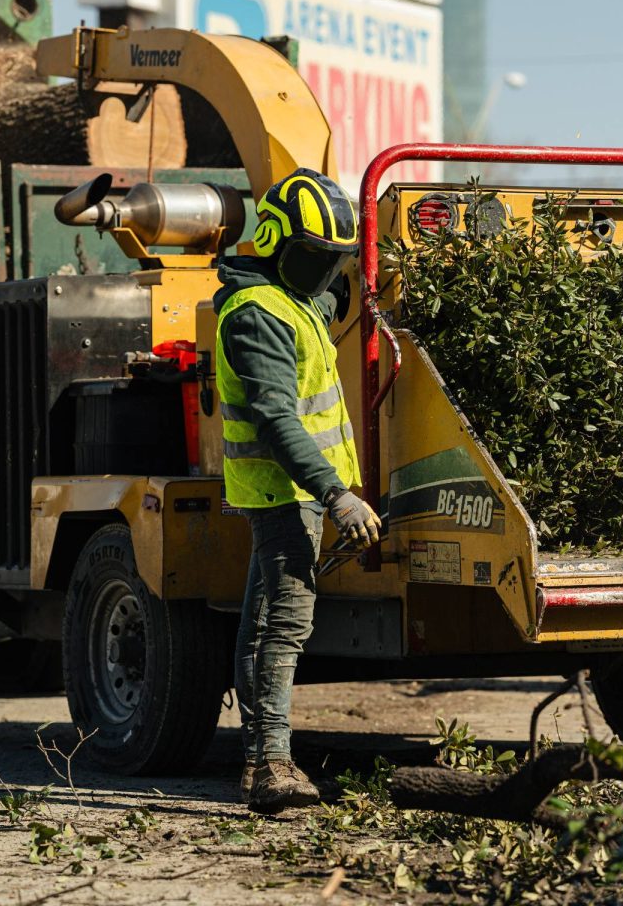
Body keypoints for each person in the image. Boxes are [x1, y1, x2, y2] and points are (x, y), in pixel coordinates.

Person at [214, 168, 381, 814]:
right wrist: (337, 495)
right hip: (283, 492)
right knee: (282, 626)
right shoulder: (258, 314)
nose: (325, 271)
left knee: (263, 624)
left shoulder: (296, 295)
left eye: (333, 259)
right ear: (275, 242)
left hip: (296, 491)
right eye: (316, 256)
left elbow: (331, 298)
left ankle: (262, 761)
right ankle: (270, 766)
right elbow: (277, 419)